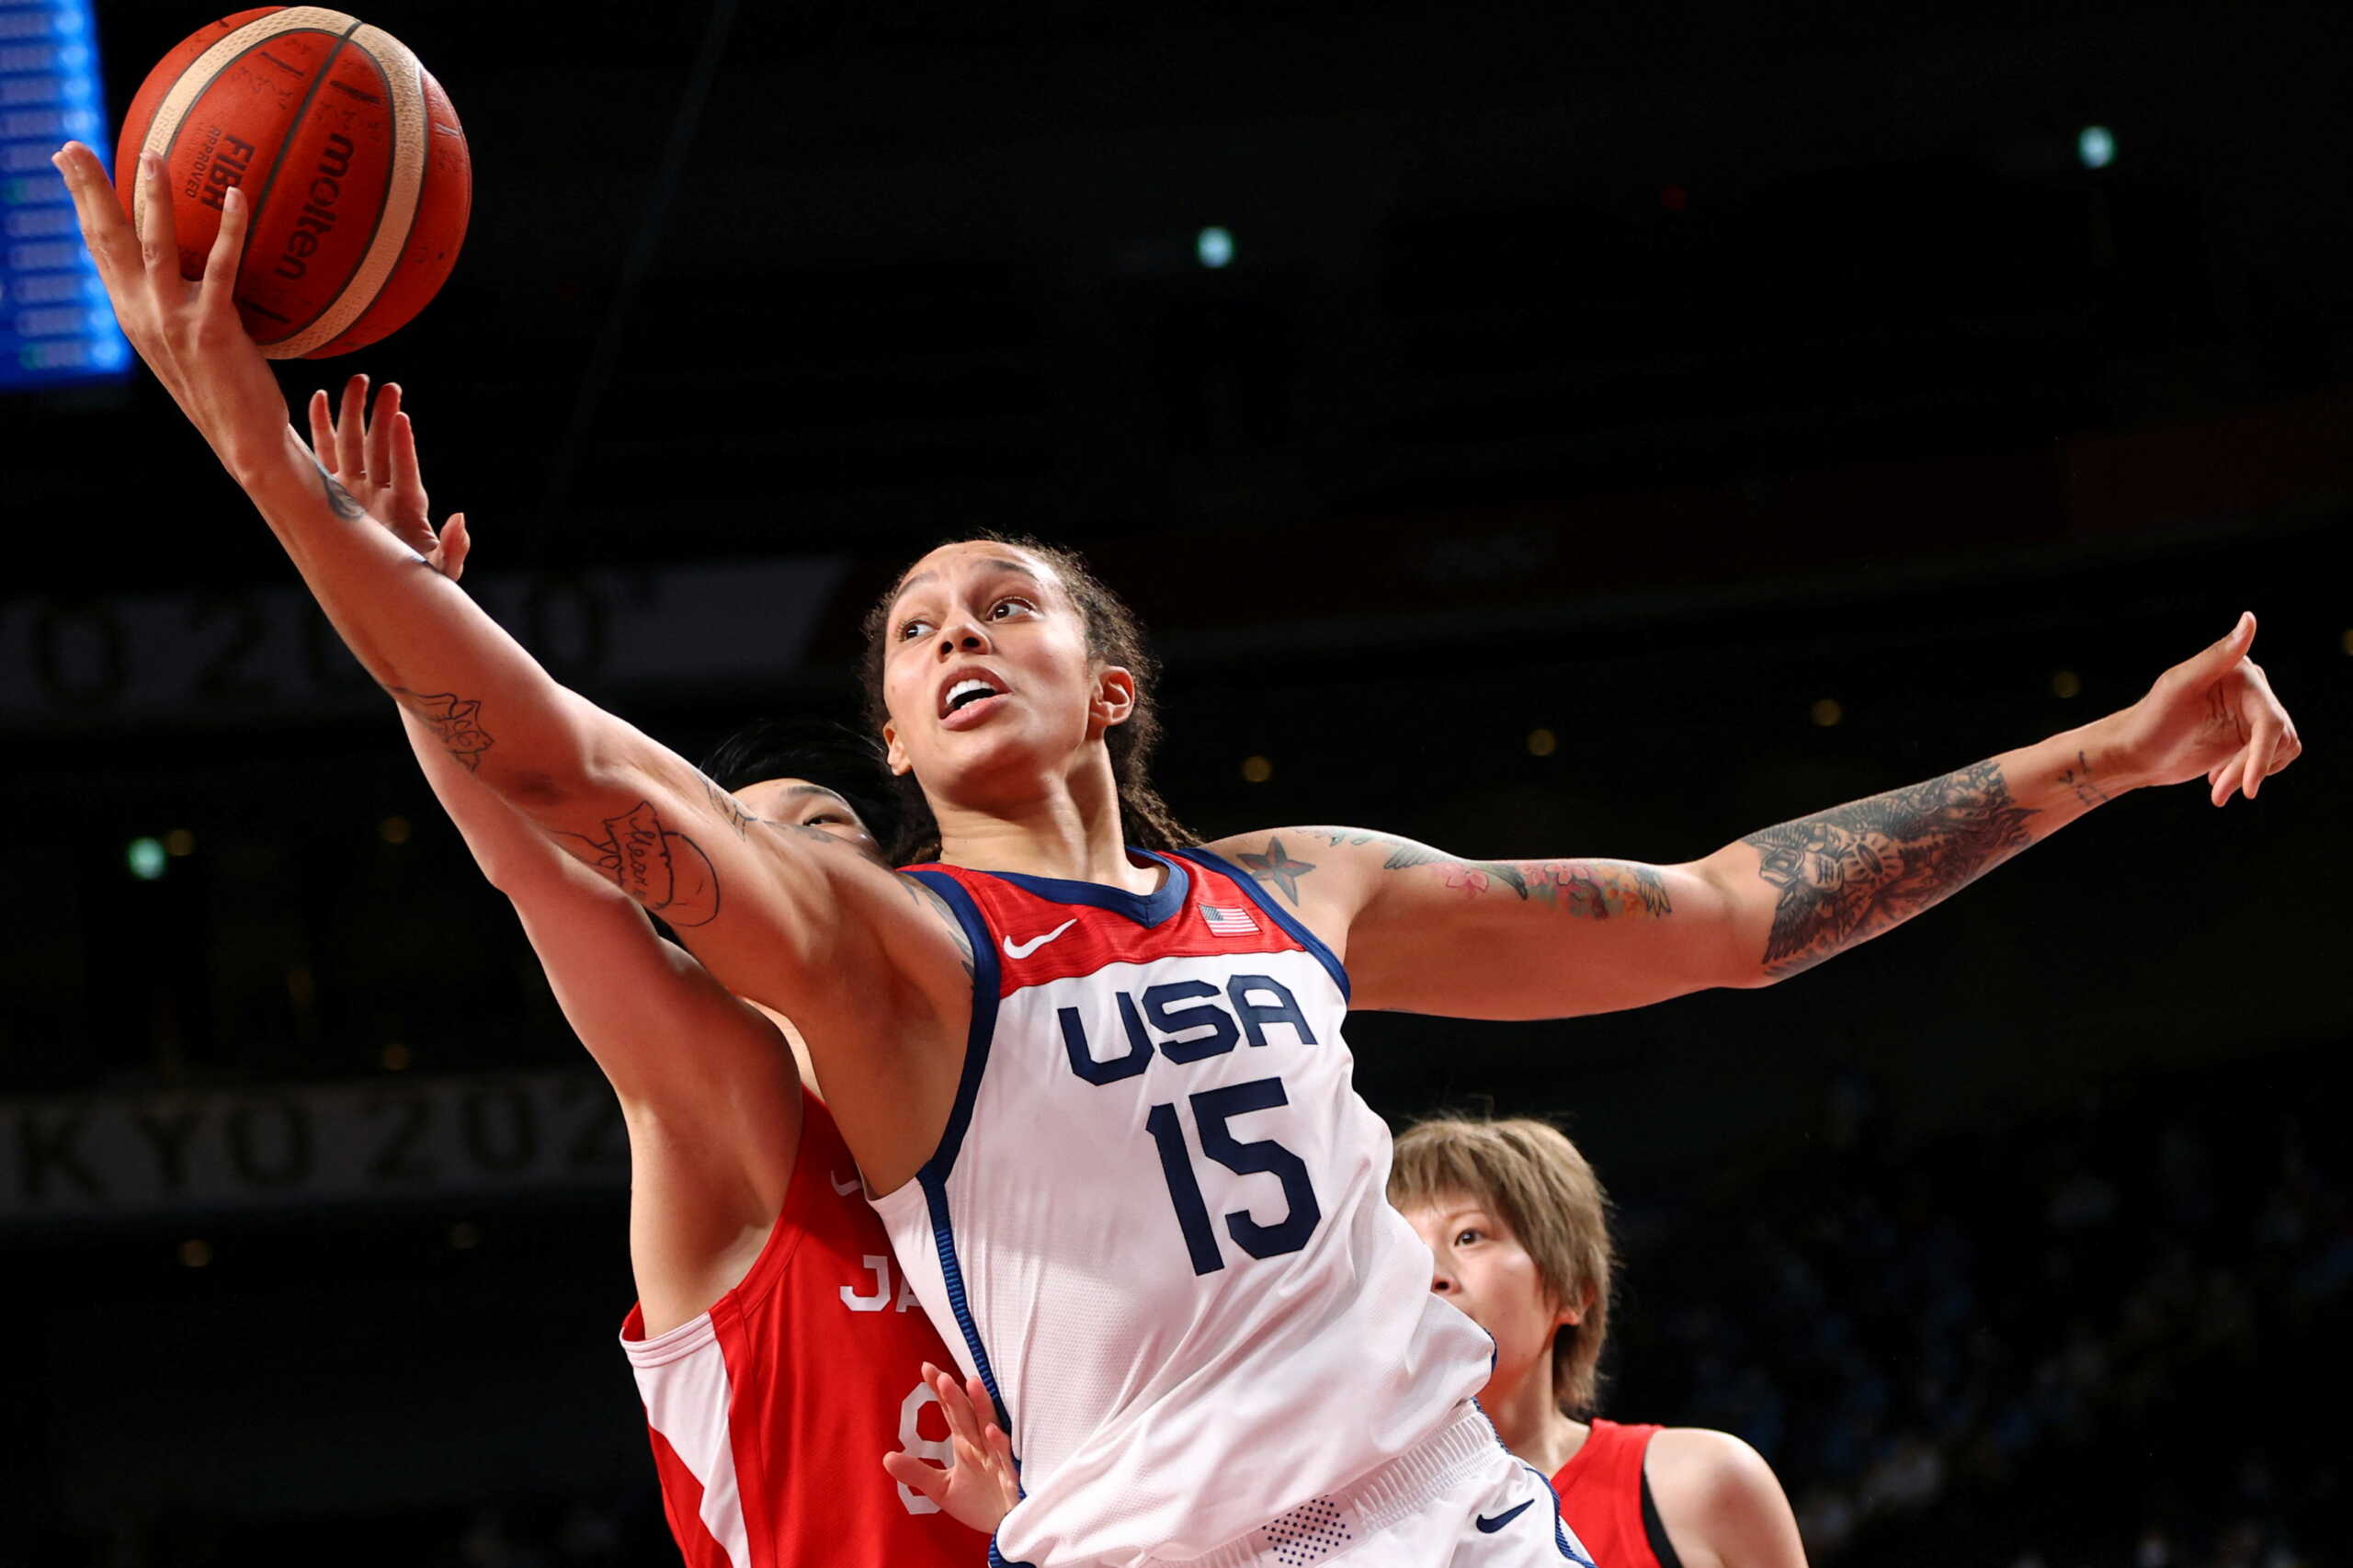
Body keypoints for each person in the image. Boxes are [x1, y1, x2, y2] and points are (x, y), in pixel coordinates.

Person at [55, 142, 2302, 1568]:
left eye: (997, 601)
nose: (948, 633)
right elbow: (558, 780)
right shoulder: (881, 951)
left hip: (1466, 1519)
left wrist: (2104, 751)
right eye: (911, 625)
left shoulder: (1300, 882)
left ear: (1105, 680)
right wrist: (285, 493)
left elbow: (1719, 919)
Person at [306, 400, 1016, 1565]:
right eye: (755, 833)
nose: (785, 851)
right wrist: (411, 617)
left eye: (825, 827)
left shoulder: (1005, 1113)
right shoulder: (728, 1105)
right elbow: (537, 869)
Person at [1393, 1116, 1810, 1568]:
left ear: (1571, 1290)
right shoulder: (1334, 1530)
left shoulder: (1700, 1485)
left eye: (1469, 1237)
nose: (1429, 1273)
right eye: (1400, 1248)